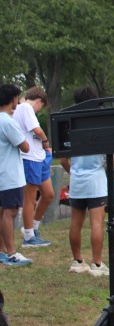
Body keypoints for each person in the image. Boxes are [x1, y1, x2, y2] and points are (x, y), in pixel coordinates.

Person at [60, 87, 109, 276]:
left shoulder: (70, 125)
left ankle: (78, 261)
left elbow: (63, 160)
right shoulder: (99, 125)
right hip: (96, 179)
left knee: (76, 222)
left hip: (77, 180)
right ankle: (97, 263)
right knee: (97, 222)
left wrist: (74, 173)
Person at [13, 87, 53, 247]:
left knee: (48, 194)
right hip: (29, 158)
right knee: (30, 199)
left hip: (38, 157)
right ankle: (29, 236)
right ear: (39, 101)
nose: (39, 110)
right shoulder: (26, 108)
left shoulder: (23, 106)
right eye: (41, 107)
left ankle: (33, 227)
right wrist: (46, 141)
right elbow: (37, 130)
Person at [0, 84, 32, 267]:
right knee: (10, 212)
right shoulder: (7, 121)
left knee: (2, 212)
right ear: (12, 99)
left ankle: (2, 250)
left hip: (2, 173)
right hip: (10, 175)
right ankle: (12, 253)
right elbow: (24, 146)